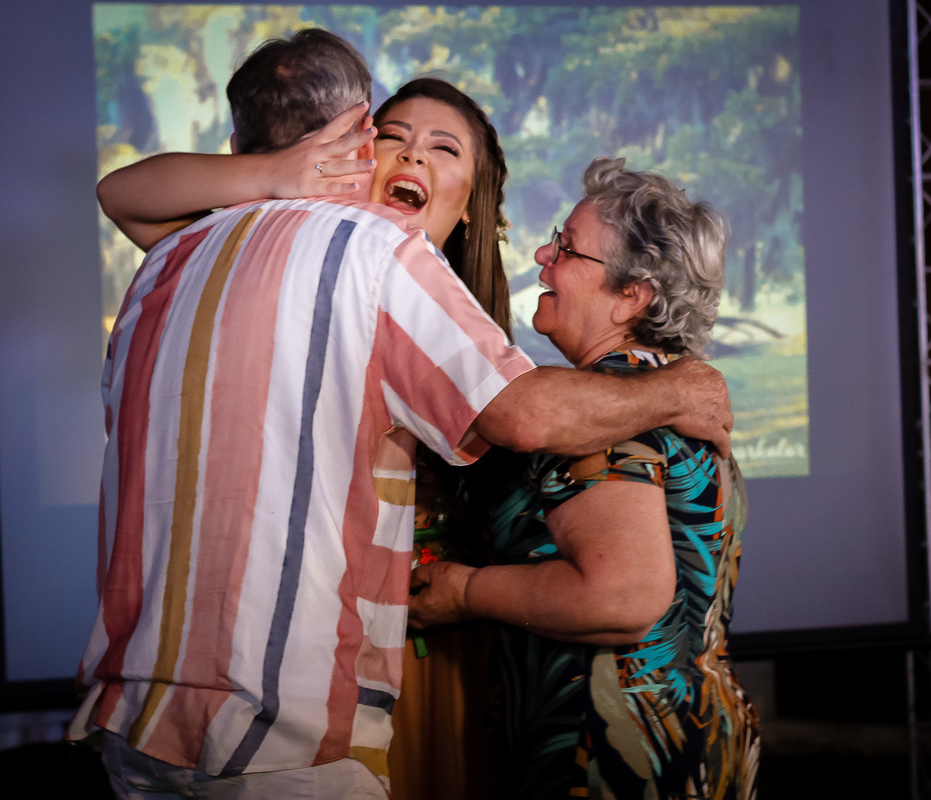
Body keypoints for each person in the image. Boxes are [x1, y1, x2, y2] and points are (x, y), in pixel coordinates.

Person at [74, 31, 735, 800]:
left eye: (443, 149)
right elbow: (525, 418)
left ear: (469, 206)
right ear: (355, 147)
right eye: (392, 136)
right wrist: (684, 389)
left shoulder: (178, 255)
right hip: (287, 720)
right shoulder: (367, 252)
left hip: (157, 711)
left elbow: (118, 195)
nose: (413, 157)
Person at [409, 158, 761, 799]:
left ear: (634, 294)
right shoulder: (668, 393)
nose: (542, 254)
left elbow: (620, 595)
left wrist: (461, 592)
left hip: (609, 757)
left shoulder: (602, 407)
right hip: (696, 742)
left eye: (567, 249)